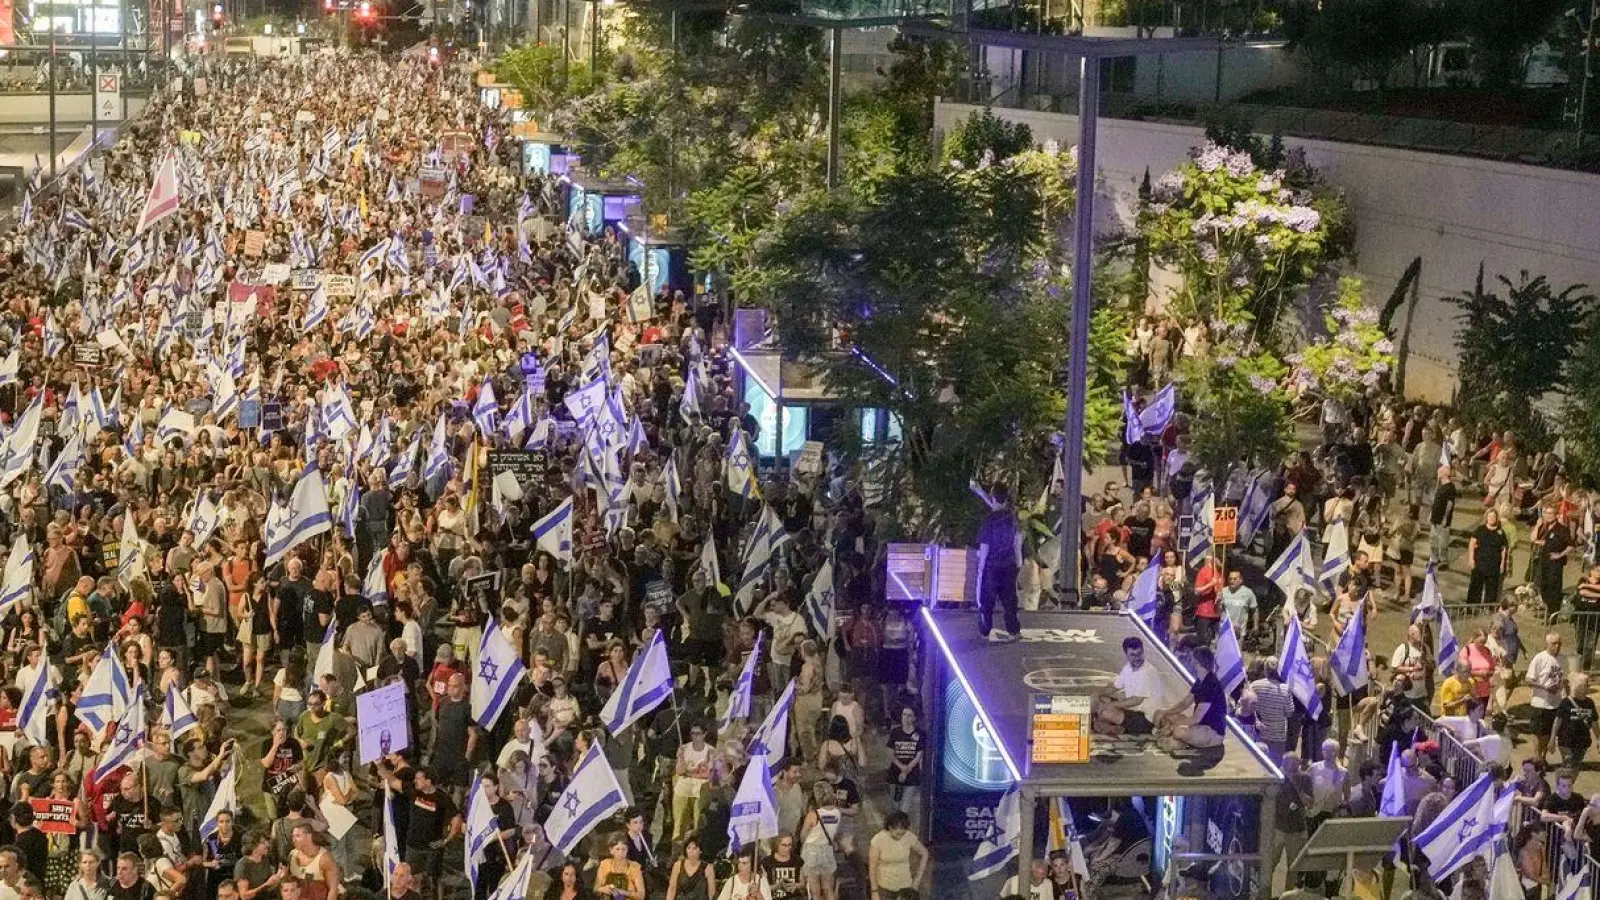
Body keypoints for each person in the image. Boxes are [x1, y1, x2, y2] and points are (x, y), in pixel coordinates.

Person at [1154, 646, 1227, 751]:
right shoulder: (1200, 680)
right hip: (1199, 725)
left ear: (1198, 663)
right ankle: (1175, 739)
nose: (1190, 661)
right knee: (1159, 713)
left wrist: (1171, 727)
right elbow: (1185, 703)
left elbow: (1196, 718)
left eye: (1192, 659)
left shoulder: (1210, 685)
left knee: (1179, 731)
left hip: (1212, 731)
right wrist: (1166, 713)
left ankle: (1178, 741)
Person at [976, 486, 1022, 641]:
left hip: (992, 566)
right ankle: (1013, 630)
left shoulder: (989, 520)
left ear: (994, 498)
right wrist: (1018, 561)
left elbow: (985, 545)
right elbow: (1017, 541)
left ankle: (985, 630)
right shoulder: (1012, 518)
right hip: (1009, 564)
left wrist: (981, 567)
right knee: (1009, 600)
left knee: (987, 600)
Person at [866, 811, 927, 900]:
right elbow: (872, 868)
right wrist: (874, 891)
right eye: (897, 834)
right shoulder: (878, 840)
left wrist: (917, 881)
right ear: (890, 827)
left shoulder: (909, 836)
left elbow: (924, 853)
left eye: (902, 834)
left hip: (905, 888)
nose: (900, 837)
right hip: (884, 888)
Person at [1528, 632, 1568, 761]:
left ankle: (1543, 758)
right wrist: (1545, 687)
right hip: (1540, 702)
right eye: (1554, 643)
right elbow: (1528, 680)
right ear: (1547, 644)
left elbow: (1565, 679)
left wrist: (1566, 694)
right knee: (1538, 733)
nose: (1557, 646)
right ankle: (1537, 758)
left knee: (1550, 734)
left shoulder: (1563, 659)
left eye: (1559, 643)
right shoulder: (1540, 658)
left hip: (1556, 703)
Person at [1551, 671, 1600, 771]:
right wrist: (1552, 739)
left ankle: (1566, 785)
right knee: (1568, 766)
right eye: (1586, 685)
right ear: (1578, 686)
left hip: (1582, 743)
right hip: (1566, 742)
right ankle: (1563, 785)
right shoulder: (1565, 702)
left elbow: (1594, 723)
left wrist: (1599, 739)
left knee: (1575, 768)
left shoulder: (1590, 703)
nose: (1588, 687)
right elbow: (1557, 721)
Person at [885, 707, 924, 820]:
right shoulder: (896, 732)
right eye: (904, 714)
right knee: (894, 806)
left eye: (909, 715)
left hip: (912, 775)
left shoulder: (920, 734)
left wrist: (907, 769)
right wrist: (901, 767)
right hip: (895, 774)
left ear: (914, 718)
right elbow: (890, 752)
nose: (906, 718)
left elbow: (919, 754)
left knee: (904, 809)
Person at [1465, 509, 1510, 606]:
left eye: (1493, 516)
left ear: (1496, 518)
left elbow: (1504, 549)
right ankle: (1471, 607)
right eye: (1489, 516)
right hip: (1480, 563)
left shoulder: (1501, 532)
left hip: (1494, 565)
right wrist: (1471, 559)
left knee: (1492, 588)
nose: (1491, 518)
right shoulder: (1480, 530)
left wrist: (1502, 564)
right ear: (1486, 517)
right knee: (1475, 586)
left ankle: (1488, 608)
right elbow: (1472, 544)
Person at [593, 834, 645, 900]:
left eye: (624, 849)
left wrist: (624, 892)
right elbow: (595, 889)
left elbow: (641, 896)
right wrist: (602, 889)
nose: (621, 852)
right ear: (611, 850)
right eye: (617, 849)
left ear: (627, 849)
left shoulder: (634, 867)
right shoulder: (604, 864)